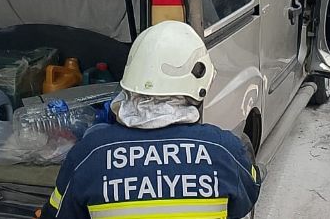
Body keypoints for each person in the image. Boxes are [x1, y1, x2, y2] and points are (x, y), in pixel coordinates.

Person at [40, 21, 262, 219]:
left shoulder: (89, 154)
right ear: (199, 84)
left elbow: (57, 213)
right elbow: (247, 197)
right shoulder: (224, 150)